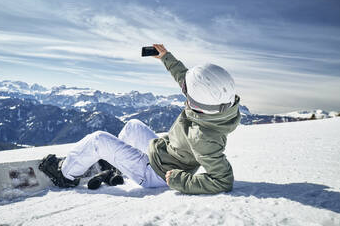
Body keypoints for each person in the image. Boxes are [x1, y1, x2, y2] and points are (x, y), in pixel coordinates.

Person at [40, 44, 241, 194]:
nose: (184, 90)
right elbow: (185, 78)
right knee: (133, 126)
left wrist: (179, 181)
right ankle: (114, 167)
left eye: (187, 92)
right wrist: (165, 57)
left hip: (157, 174)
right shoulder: (216, 107)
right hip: (162, 153)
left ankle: (65, 174)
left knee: (98, 139)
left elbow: (223, 181)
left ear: (196, 102)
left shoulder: (203, 137)